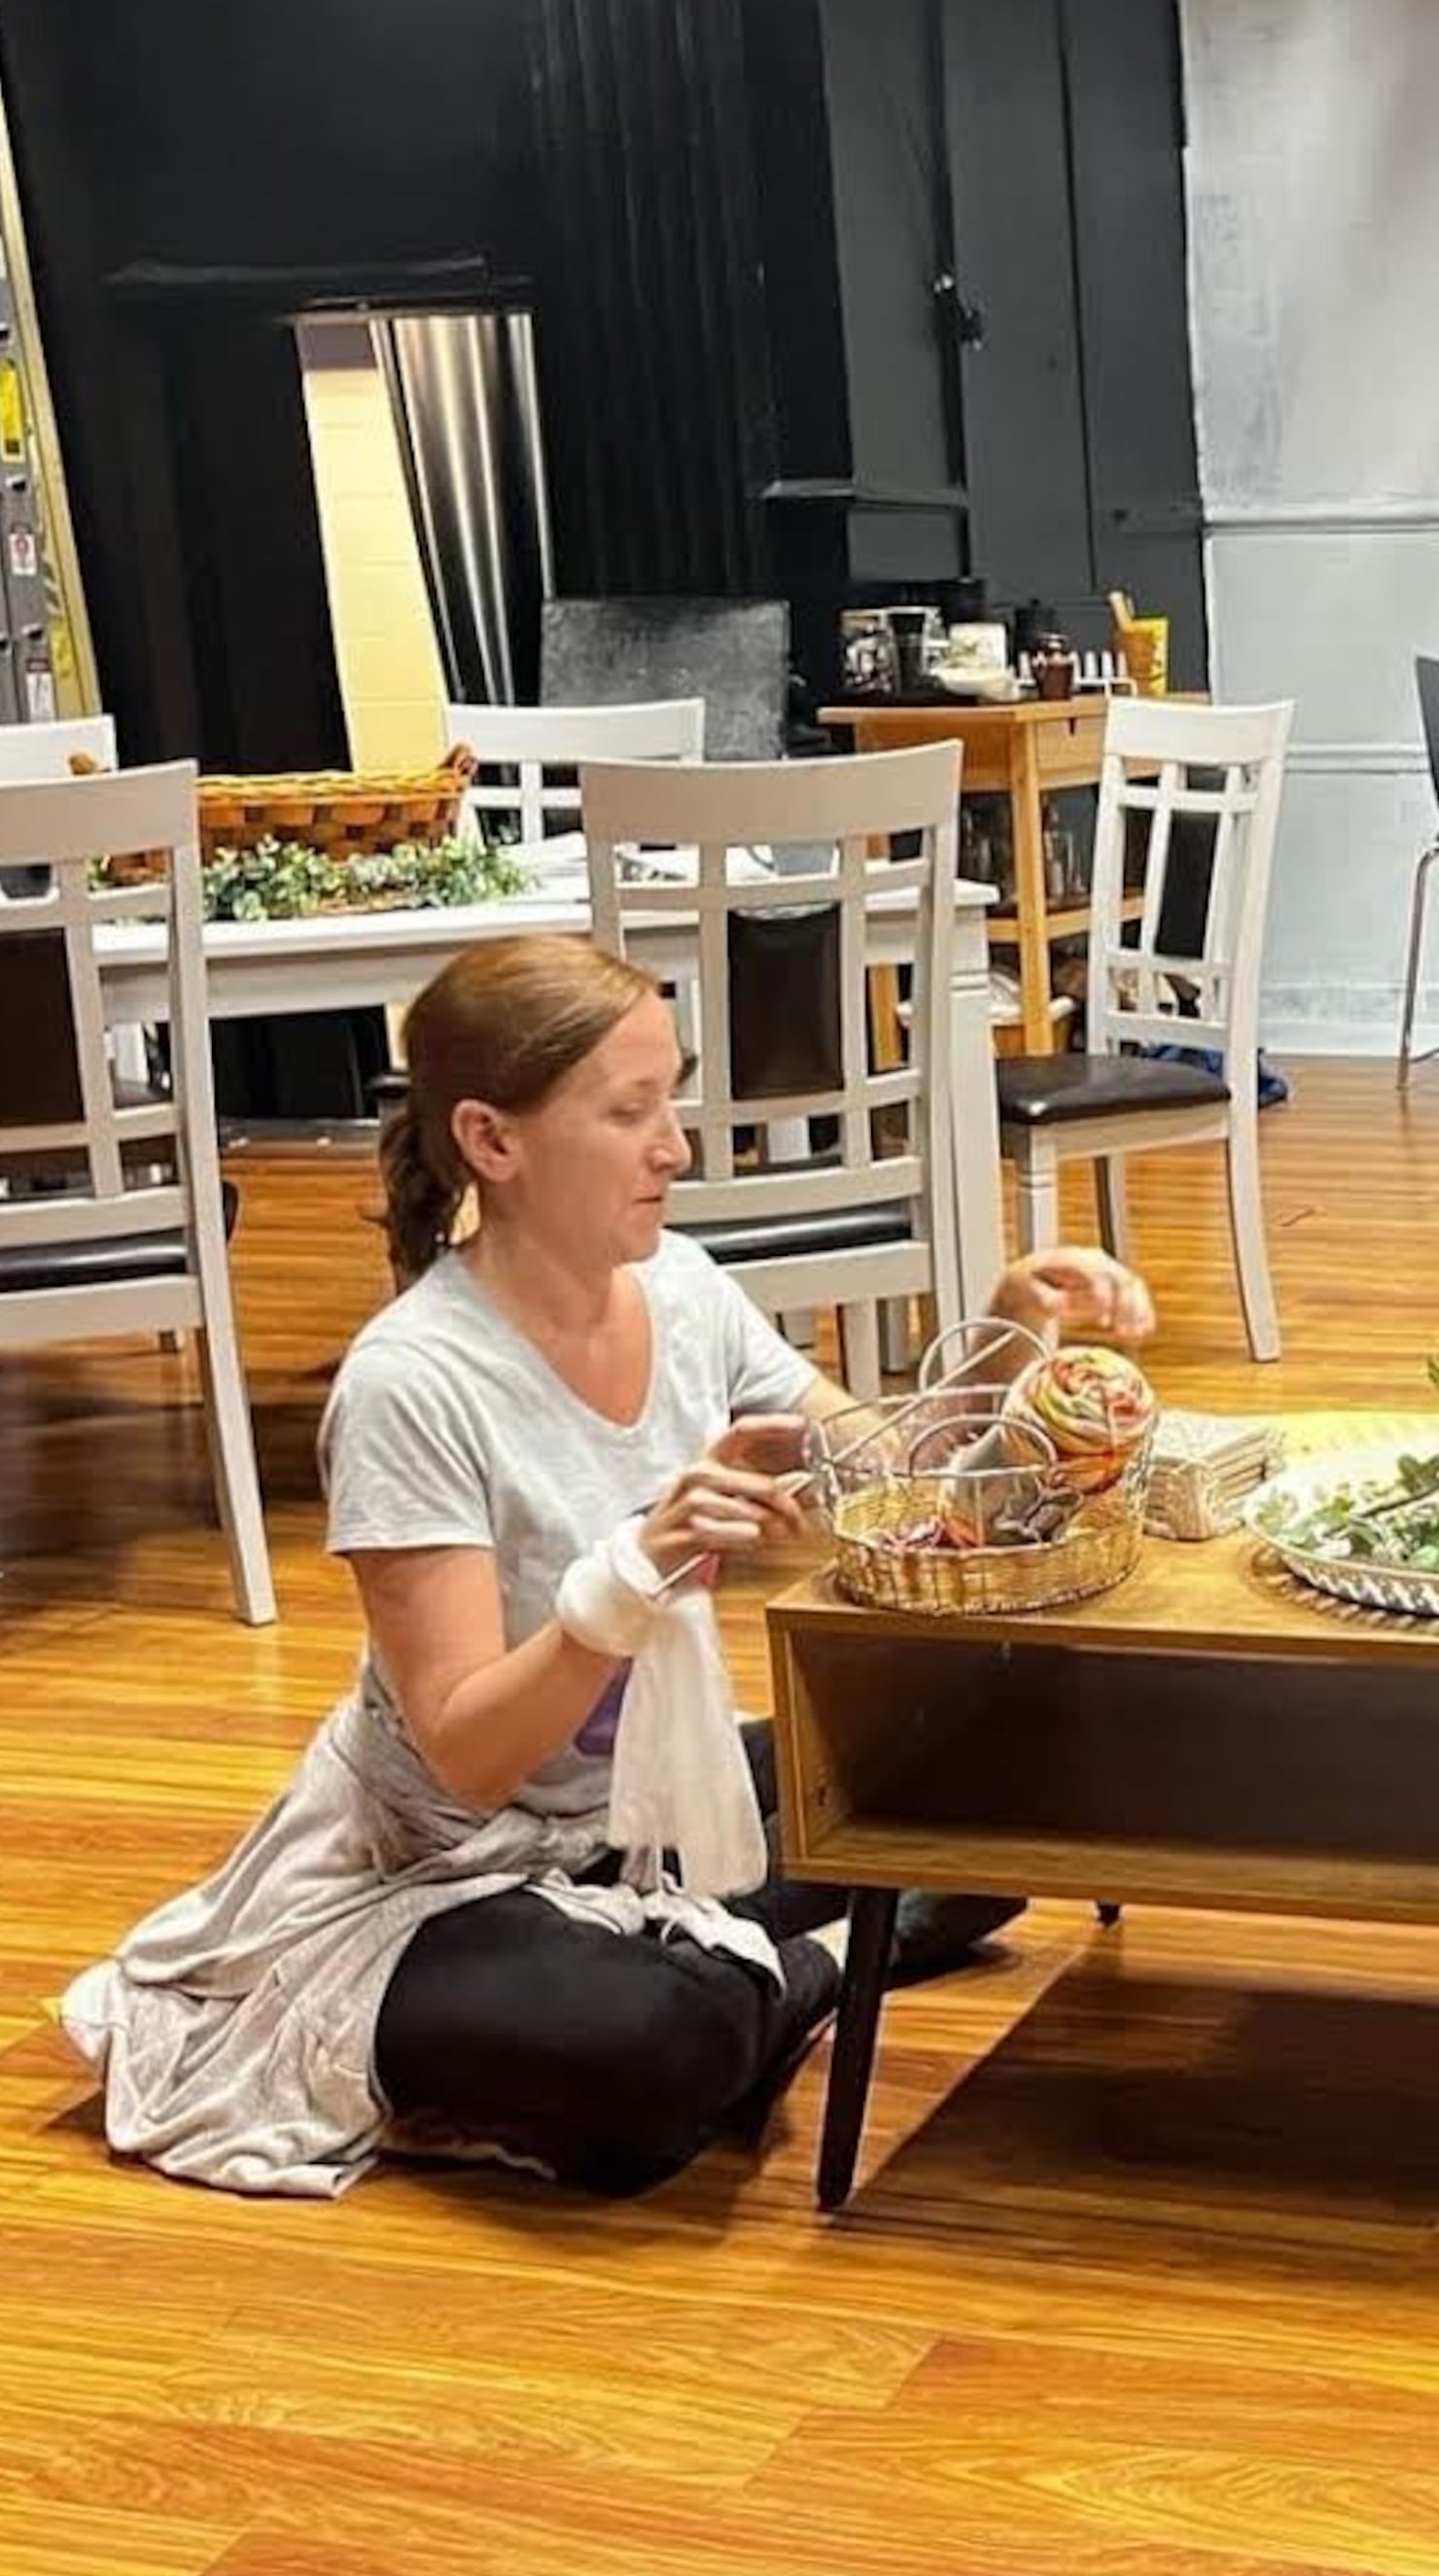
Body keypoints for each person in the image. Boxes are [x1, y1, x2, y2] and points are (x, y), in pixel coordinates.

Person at [62, 932, 1153, 2197]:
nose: (677, 1144)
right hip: (439, 1873)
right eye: (631, 1110)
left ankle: (752, 1956)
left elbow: (887, 1483)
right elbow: (472, 1755)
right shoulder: (412, 1381)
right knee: (656, 2043)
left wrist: (1015, 1326)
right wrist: (632, 1571)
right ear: (492, 1140)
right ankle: (791, 1970)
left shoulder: (683, 1289)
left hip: (632, 1799)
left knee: (994, 1759)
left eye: (671, 1098)